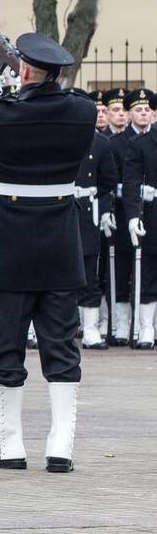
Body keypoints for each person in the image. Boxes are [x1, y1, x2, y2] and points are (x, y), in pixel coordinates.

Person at [0, 33, 94, 474]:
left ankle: (11, 447)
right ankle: (61, 447)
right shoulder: (83, 112)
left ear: (26, 71)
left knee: (6, 345)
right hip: (58, 242)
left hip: (8, 244)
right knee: (61, 346)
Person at [70, 88, 117, 349]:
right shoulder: (59, 139)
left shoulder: (100, 143)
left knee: (89, 274)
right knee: (58, 275)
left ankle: (90, 329)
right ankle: (63, 328)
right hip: (61, 210)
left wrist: (105, 208)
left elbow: (108, 181)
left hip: (87, 213)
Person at [106, 87, 150, 345]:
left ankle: (147, 323)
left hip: (150, 213)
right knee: (122, 267)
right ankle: (122, 324)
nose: (143, 113)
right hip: (124, 212)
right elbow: (110, 179)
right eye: (137, 109)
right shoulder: (116, 143)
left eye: (147, 109)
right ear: (129, 113)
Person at [121, 87, 157, 349]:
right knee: (150, 274)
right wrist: (133, 217)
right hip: (153, 216)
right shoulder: (141, 144)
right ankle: (146, 327)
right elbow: (131, 183)